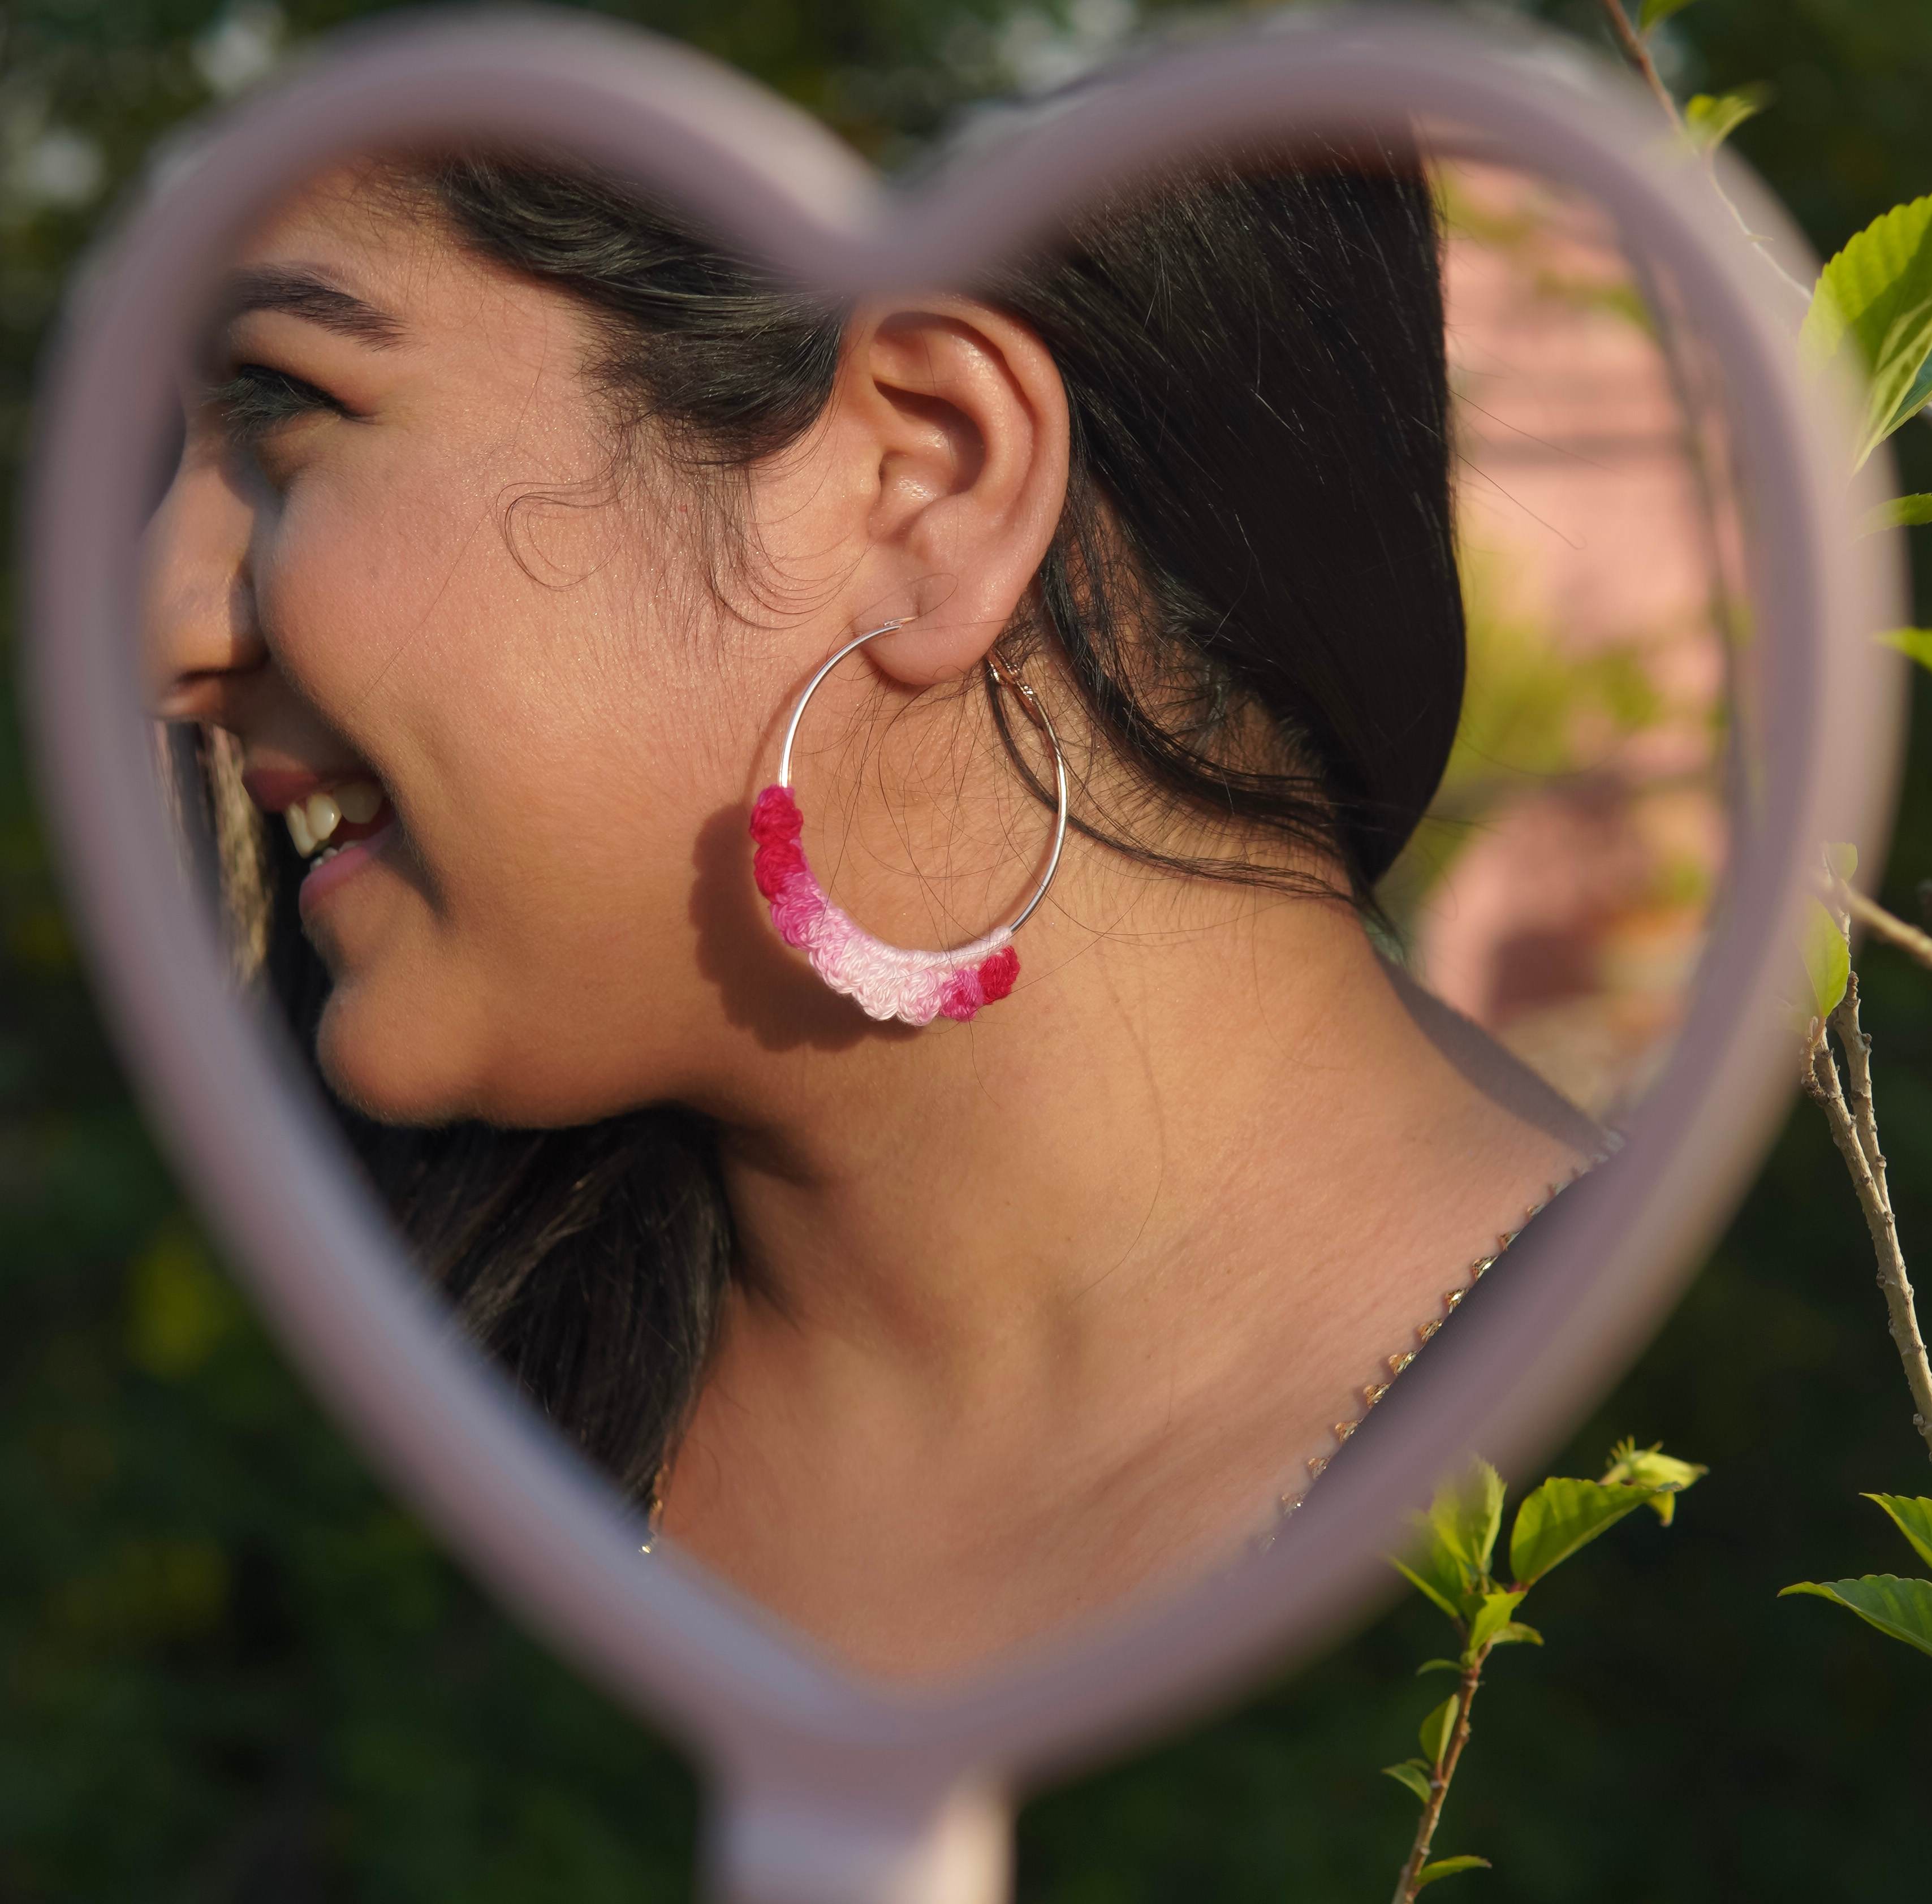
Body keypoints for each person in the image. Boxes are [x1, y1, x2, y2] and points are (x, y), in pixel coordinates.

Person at [143, 132, 1605, 1678]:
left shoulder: (1780, 1507)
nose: (163, 628)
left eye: (284, 403)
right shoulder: (347, 1476)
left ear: (928, 481)